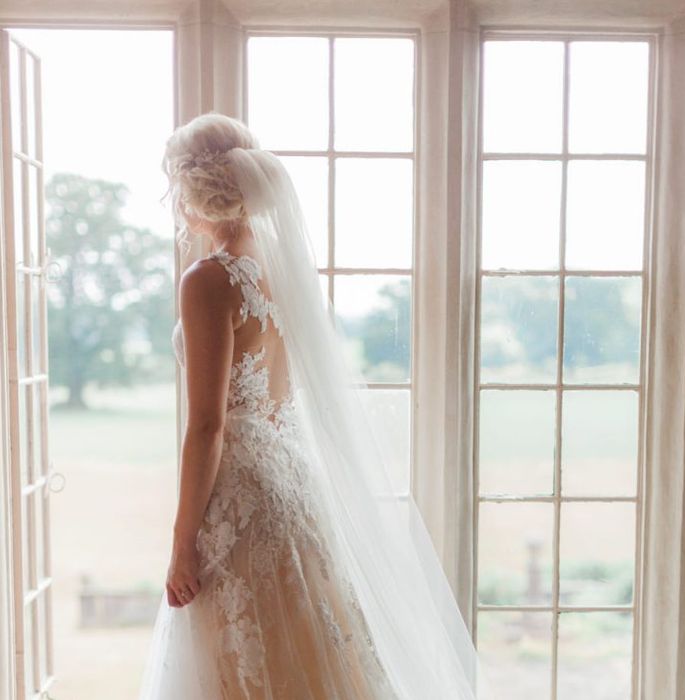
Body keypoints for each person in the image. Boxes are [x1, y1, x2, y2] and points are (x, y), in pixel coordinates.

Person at [138, 111, 494, 699]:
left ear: (195, 189)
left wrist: (181, 546)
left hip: (242, 492)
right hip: (289, 480)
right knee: (302, 648)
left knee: (241, 659)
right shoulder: (279, 268)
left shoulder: (209, 278)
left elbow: (207, 423)